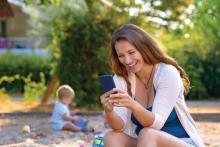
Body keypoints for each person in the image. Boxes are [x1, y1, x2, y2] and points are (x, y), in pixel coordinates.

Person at [100, 24, 204, 147]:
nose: (127, 61)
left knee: (148, 133)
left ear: (144, 48)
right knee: (112, 137)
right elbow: (119, 127)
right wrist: (109, 111)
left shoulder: (167, 72)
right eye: (121, 56)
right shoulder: (122, 78)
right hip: (145, 143)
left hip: (181, 142)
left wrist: (132, 104)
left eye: (131, 52)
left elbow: (156, 124)